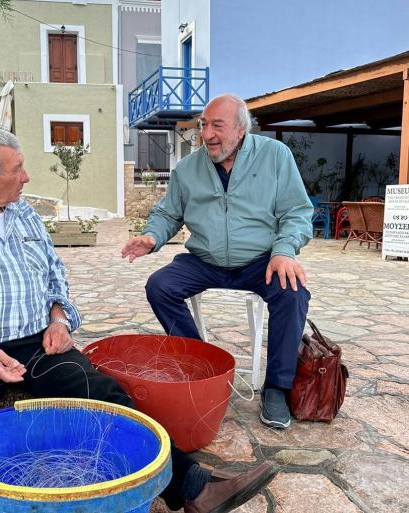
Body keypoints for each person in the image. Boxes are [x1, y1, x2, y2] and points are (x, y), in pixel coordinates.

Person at [0, 126, 276, 513]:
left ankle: (195, 488)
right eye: (17, 169)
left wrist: (59, 320)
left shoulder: (24, 214)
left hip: (39, 343)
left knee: (107, 398)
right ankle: (13, 480)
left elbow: (55, 276)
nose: (26, 177)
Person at [122, 93, 313, 430]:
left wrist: (284, 250)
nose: (207, 134)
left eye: (217, 126)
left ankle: (277, 387)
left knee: (292, 292)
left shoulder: (275, 157)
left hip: (259, 259)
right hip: (205, 259)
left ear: (241, 130)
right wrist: (152, 237)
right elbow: (168, 213)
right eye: (204, 125)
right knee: (160, 286)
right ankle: (203, 364)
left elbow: (296, 212)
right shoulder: (188, 168)